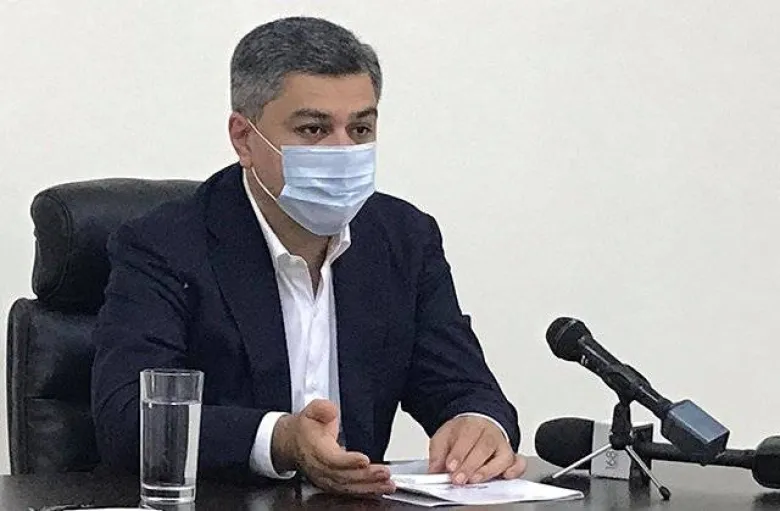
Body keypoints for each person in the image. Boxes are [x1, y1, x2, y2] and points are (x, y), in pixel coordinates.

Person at [91, 16, 525, 495]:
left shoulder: (403, 238)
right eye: (314, 129)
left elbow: (462, 385)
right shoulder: (164, 245)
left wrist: (478, 424)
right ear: (244, 138)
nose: (343, 150)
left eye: (360, 128)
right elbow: (128, 419)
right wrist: (281, 439)